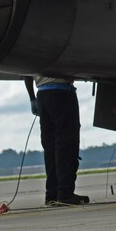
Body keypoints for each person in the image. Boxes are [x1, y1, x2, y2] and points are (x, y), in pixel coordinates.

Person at [26, 76, 89, 206]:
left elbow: (27, 73)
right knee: (66, 145)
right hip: (62, 94)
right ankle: (65, 194)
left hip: (42, 95)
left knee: (50, 147)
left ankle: (51, 195)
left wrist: (32, 98)